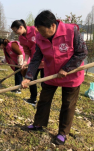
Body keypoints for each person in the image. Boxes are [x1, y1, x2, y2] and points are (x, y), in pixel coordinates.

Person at [21, 10, 88, 145]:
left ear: (52, 26)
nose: (40, 34)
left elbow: (82, 52)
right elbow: (36, 59)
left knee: (68, 104)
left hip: (71, 75)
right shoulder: (40, 38)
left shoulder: (71, 31)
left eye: (42, 30)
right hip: (51, 74)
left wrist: (67, 68)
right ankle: (38, 124)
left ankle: (63, 133)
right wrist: (29, 76)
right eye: (38, 31)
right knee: (44, 100)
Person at [11, 20, 44, 105]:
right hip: (34, 62)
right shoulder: (21, 38)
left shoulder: (34, 30)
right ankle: (33, 99)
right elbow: (27, 51)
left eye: (15, 31)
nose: (15, 33)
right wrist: (25, 61)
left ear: (21, 27)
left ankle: (44, 101)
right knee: (30, 80)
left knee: (45, 83)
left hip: (44, 61)